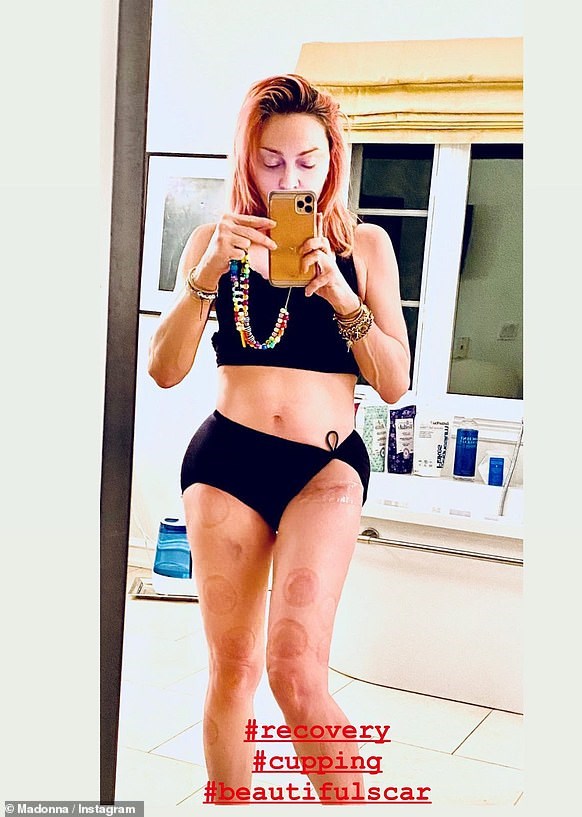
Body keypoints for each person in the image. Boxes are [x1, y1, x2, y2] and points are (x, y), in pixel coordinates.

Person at [148, 74, 410, 804]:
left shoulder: (366, 246)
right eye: (271, 161)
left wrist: (341, 294)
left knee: (295, 669)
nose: (289, 179)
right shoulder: (212, 243)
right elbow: (165, 369)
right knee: (232, 669)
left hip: (325, 468)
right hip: (225, 462)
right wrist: (206, 274)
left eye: (306, 162)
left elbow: (393, 382)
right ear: (248, 160)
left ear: (332, 163)